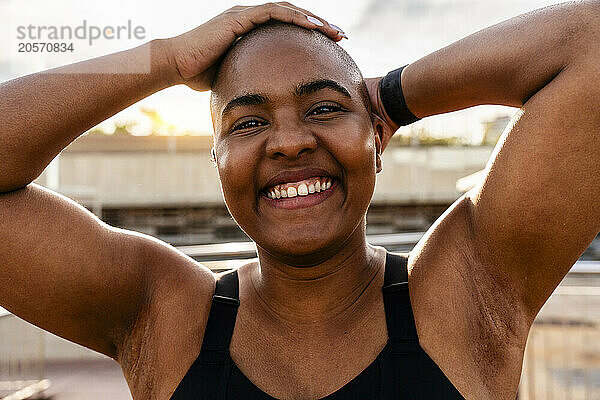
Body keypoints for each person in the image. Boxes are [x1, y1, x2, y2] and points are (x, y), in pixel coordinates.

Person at [1, 1, 599, 399]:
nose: (289, 142)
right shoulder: (161, 313)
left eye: (324, 109)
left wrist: (390, 97)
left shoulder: (465, 295)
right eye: (248, 122)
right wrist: (168, 59)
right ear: (217, 161)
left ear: (376, 140)